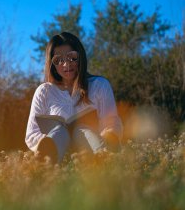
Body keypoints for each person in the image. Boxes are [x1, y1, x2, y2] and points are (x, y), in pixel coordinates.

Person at [25, 32, 123, 163]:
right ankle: (47, 162)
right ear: (51, 64)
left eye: (72, 57)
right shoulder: (44, 92)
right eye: (58, 60)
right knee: (59, 132)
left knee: (81, 130)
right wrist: (47, 140)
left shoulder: (99, 85)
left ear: (80, 56)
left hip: (90, 153)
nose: (66, 64)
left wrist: (108, 135)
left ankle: (103, 160)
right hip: (60, 155)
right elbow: (32, 134)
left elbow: (111, 122)